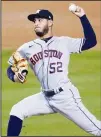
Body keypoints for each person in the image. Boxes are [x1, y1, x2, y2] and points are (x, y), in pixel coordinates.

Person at [6, 4, 101, 136]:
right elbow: (10, 67)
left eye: (40, 20)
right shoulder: (27, 48)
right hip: (45, 98)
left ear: (50, 22)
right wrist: (15, 77)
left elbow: (91, 41)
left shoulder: (64, 43)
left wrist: (82, 17)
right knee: (17, 110)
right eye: (35, 21)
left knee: (97, 129)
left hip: (65, 97)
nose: (36, 23)